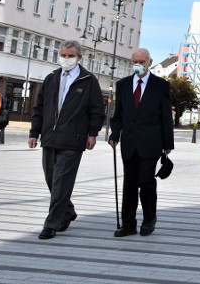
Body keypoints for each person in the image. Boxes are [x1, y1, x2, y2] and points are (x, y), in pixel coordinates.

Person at [28, 40, 105, 240]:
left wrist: (92, 133)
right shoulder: (51, 77)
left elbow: (97, 109)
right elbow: (39, 107)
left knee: (61, 182)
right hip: (50, 138)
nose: (66, 59)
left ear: (79, 57)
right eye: (63, 55)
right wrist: (34, 132)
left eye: (71, 56)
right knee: (52, 180)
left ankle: (51, 224)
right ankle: (68, 212)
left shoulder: (88, 80)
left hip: (73, 139)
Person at [109, 48, 174, 237]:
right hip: (129, 142)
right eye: (134, 62)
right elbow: (118, 114)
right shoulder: (123, 85)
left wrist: (167, 143)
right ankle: (128, 223)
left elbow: (165, 116)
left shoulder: (160, 85)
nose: (138, 65)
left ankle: (149, 219)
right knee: (129, 183)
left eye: (141, 62)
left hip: (151, 142)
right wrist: (114, 135)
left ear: (149, 62)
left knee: (146, 181)